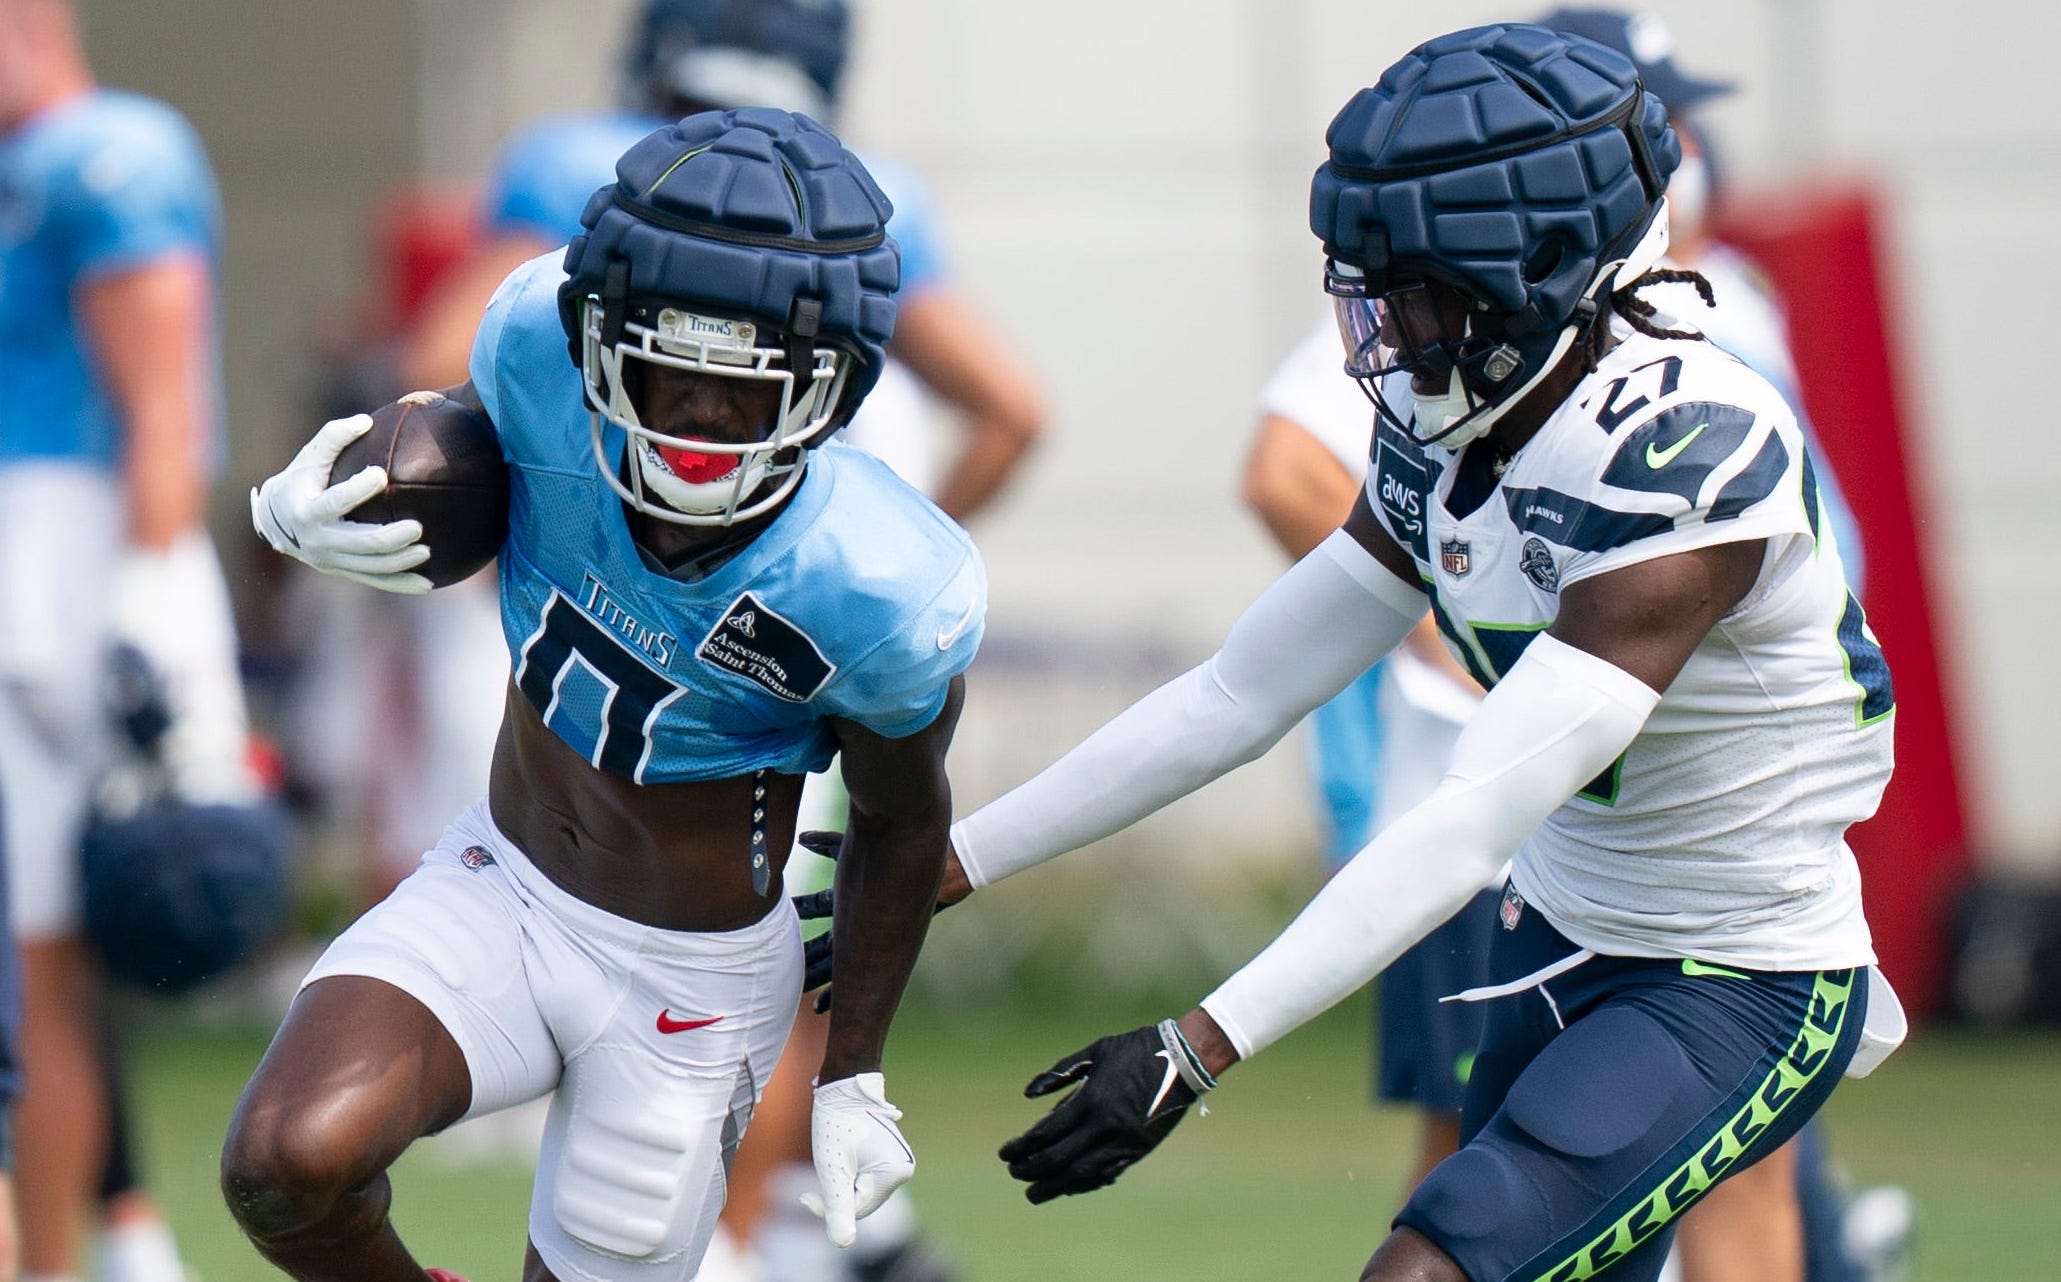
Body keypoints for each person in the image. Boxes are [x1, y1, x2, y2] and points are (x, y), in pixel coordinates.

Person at [836, 24, 1907, 1282]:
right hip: (1559, 925)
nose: (1387, 331)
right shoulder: (1460, 426)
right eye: (1375, 286)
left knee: (1431, 1268)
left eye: (1423, 293)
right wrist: (948, 860)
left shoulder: (1681, 456)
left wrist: (1197, 1044)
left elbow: (1467, 812)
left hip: (1739, 971)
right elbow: (1242, 690)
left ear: (1545, 271)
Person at [228, 108, 984, 1282]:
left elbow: (900, 815)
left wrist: (854, 1070)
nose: (697, 418)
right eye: (666, 366)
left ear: (827, 391)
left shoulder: (877, 578)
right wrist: (310, 504)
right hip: (503, 883)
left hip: (691, 976)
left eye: (743, 387)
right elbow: (457, 452)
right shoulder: (535, 349)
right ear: (596, 335)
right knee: (285, 1161)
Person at [381, 6, 1041, 1278]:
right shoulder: (871, 199)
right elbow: (1012, 406)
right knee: (770, 920)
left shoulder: (575, 161)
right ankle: (759, 1236)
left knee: (730, 929)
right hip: (746, 617)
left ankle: (743, 1233)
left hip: (668, 590)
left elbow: (430, 376)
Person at [0, 2, 254, 1278]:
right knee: (35, 964)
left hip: (71, 578)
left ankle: (62, 1257)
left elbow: (160, 406)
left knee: (42, 963)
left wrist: (151, 599)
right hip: (44, 567)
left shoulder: (106, 151)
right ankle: (112, 1233)